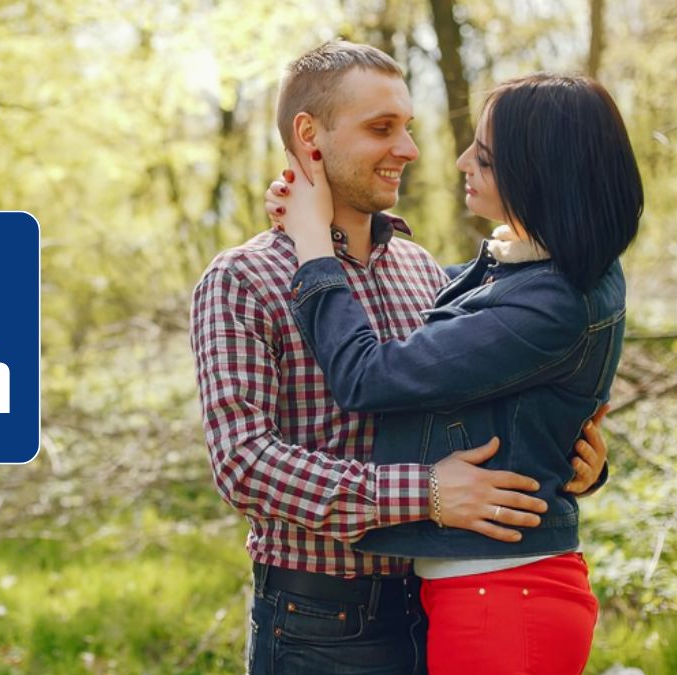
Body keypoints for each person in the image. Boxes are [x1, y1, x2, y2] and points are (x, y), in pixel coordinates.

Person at [190, 41, 609, 675]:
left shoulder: (422, 269)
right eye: (382, 129)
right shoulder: (242, 279)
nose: (409, 150)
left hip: (449, 601)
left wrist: (579, 457)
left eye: (408, 127)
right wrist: (426, 493)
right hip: (320, 626)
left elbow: (490, 392)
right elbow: (244, 465)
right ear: (310, 138)